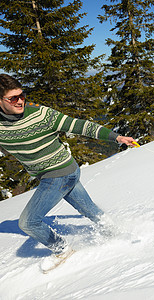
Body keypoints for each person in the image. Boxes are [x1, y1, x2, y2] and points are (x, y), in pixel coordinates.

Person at [0, 74, 137, 261]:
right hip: (59, 174)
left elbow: (79, 125)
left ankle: (62, 250)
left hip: (59, 173)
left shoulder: (41, 115)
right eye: (13, 98)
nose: (20, 101)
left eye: (22, 95)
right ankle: (118, 235)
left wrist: (117, 138)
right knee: (89, 210)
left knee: (28, 223)